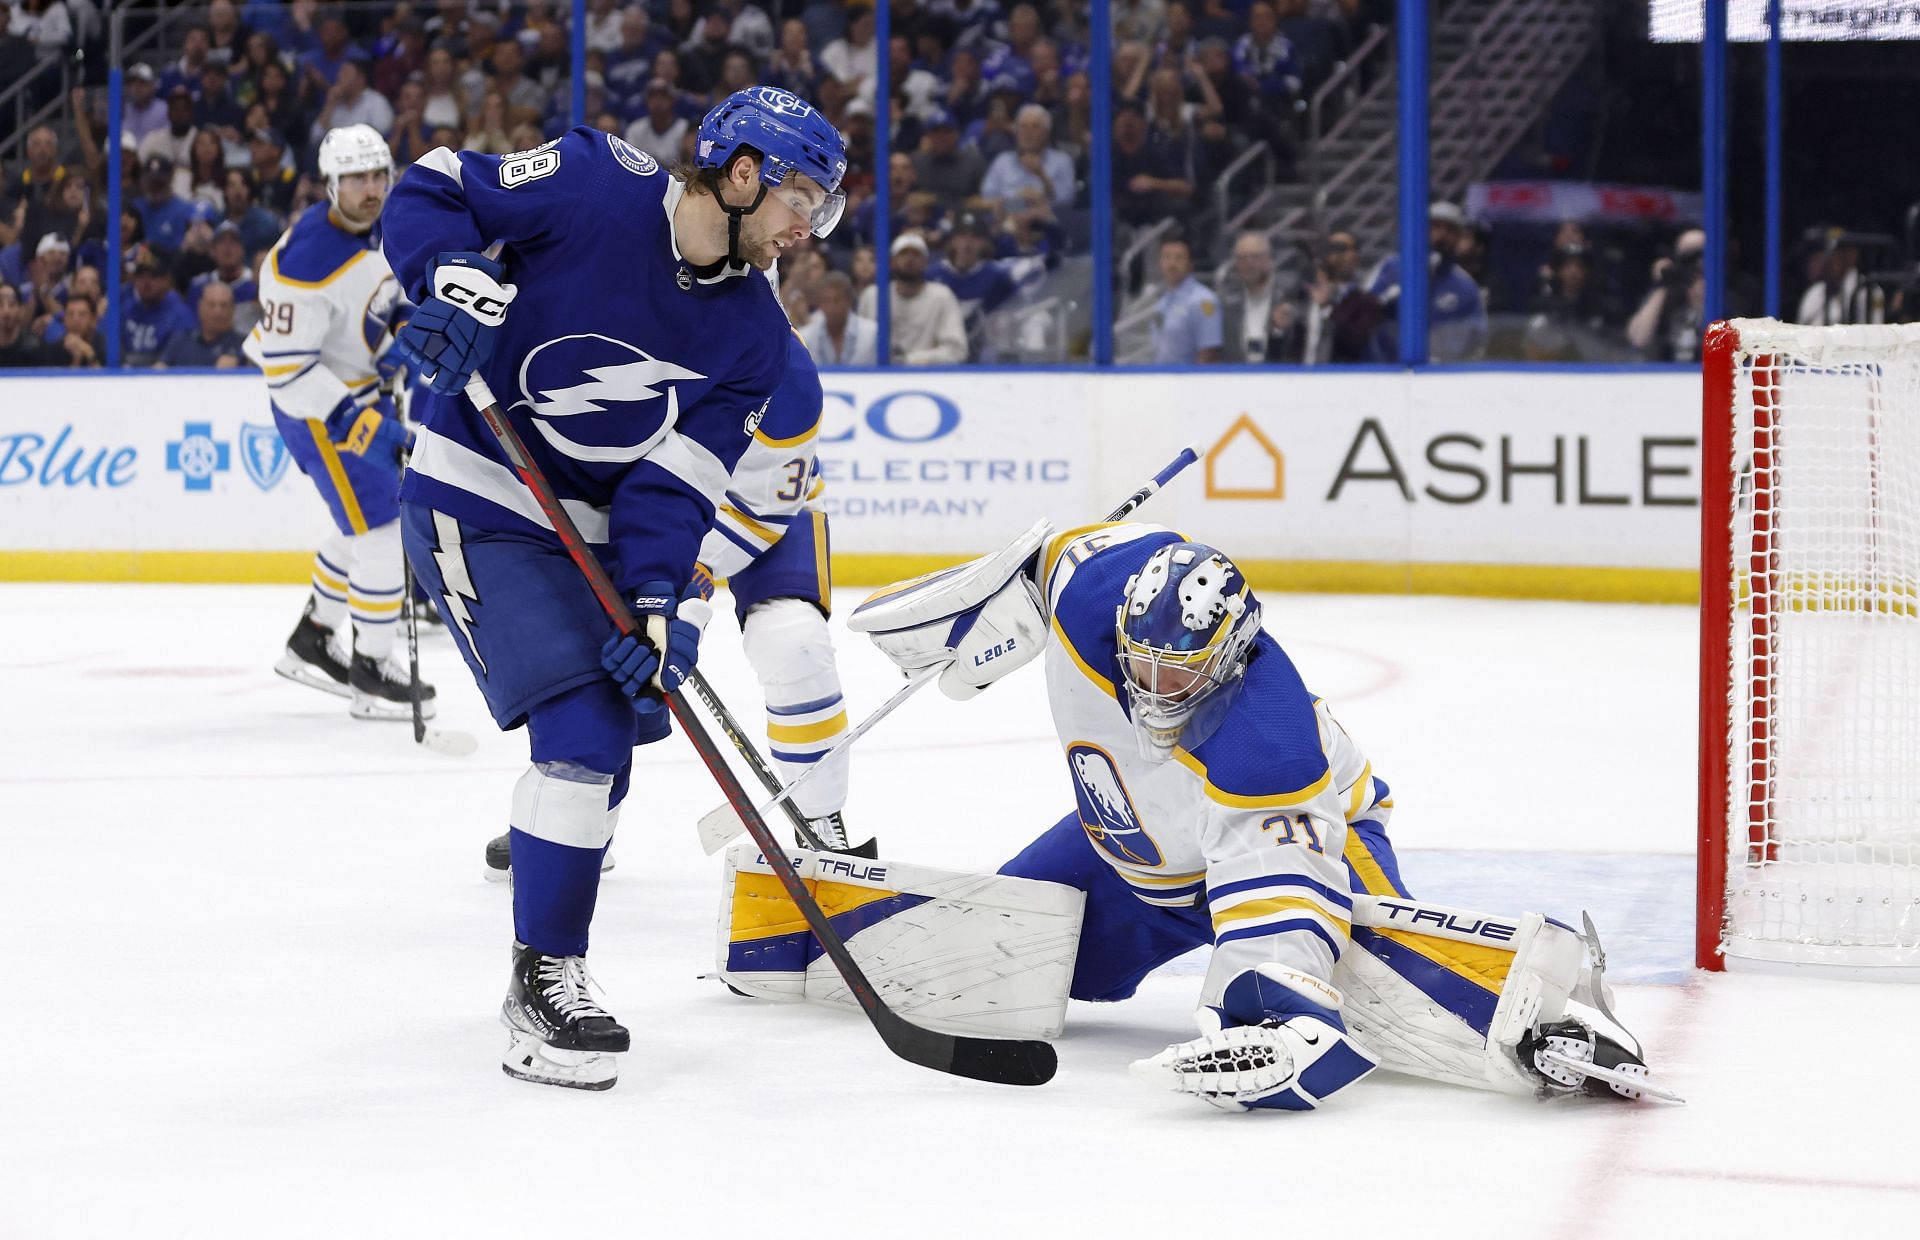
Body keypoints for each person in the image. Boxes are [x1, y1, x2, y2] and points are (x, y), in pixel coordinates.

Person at [847, 522, 1670, 1112]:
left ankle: (1556, 1021)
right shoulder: (1098, 592)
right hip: (1137, 853)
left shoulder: (1268, 745)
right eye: (1140, 664)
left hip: (1316, 847)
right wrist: (967, 615)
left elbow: (1280, 902)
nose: (1152, 691)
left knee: (1377, 971)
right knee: (1021, 951)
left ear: (1230, 656)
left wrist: (1280, 1018)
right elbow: (1045, 556)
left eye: (1179, 676)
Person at [382, 87, 845, 1092]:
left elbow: (673, 489)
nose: (808, 222)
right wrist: (450, 279)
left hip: (588, 529)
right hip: (480, 490)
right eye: (800, 192)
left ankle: (555, 915)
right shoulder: (596, 184)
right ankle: (543, 978)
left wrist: (656, 604)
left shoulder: (756, 343)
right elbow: (432, 186)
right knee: (585, 730)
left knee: (623, 716)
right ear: (741, 171)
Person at [482, 331, 872, 880]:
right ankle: (586, 822)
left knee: (794, 642)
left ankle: (822, 828)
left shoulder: (784, 366)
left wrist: (685, 585)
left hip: (755, 514)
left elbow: (760, 509)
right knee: (616, 661)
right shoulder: (614, 320)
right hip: (641, 512)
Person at [243, 126, 431, 724]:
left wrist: (400, 328)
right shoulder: (306, 260)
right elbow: (286, 370)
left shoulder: (377, 223)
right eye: (356, 179)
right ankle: (372, 670)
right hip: (322, 411)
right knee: (382, 528)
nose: (370, 188)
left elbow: (380, 291)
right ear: (331, 183)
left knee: (360, 527)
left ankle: (314, 637)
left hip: (356, 390)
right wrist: (358, 420)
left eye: (378, 175)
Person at [1366, 201, 1487, 363]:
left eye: (1450, 229)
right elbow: (1365, 314)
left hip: (1441, 377)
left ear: (1458, 237)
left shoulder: (1465, 287)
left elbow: (1476, 343)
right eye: (1435, 227)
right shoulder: (1389, 269)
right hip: (1386, 372)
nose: (1442, 235)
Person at [857, 232, 967, 365]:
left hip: (928, 378)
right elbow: (859, 346)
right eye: (903, 254)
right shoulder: (872, 296)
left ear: (926, 262)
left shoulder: (942, 296)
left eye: (916, 254)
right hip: (877, 377)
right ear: (892, 262)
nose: (910, 259)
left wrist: (910, 360)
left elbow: (956, 350)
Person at [1150, 233, 1221, 364]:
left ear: (1190, 264)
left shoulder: (1204, 301)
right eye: (1167, 258)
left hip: (1190, 381)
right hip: (1162, 379)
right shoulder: (1161, 304)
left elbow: (1208, 352)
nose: (1172, 264)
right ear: (1160, 263)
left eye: (1179, 258)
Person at [123, 245, 196, 365]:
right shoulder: (126, 309)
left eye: (153, 275)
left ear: (167, 279)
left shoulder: (180, 315)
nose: (146, 282)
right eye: (140, 275)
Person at [158, 278, 246, 367]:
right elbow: (159, 369)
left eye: (223, 305)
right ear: (200, 307)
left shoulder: (244, 346)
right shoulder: (180, 340)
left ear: (232, 310)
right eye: (212, 304)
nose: (218, 311)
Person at [797, 270, 876, 365]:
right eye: (826, 301)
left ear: (849, 301)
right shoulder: (806, 338)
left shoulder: (872, 334)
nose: (832, 307)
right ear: (820, 304)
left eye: (837, 300)